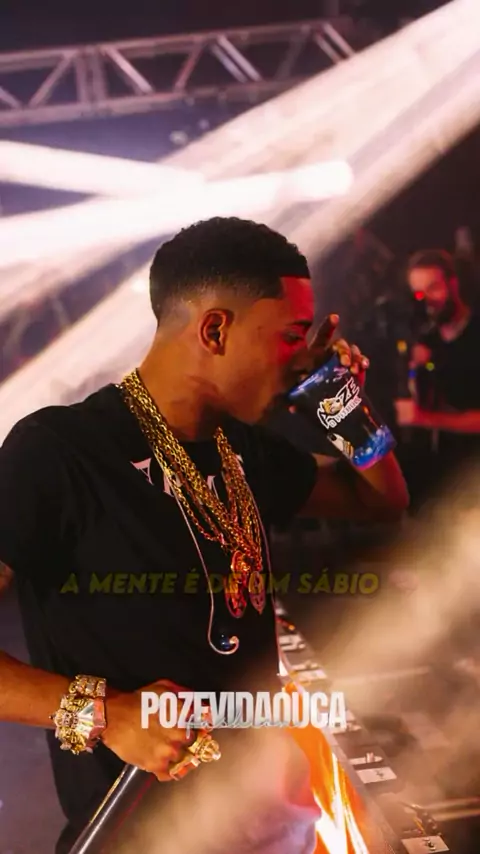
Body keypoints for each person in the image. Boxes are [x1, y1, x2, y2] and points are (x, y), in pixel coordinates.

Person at [0, 217, 408, 854]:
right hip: (142, 833)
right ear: (214, 329)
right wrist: (104, 712)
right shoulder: (60, 451)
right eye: (291, 336)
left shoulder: (241, 447)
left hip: (270, 828)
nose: (299, 356)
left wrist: (339, 400)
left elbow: (383, 499)